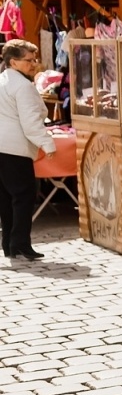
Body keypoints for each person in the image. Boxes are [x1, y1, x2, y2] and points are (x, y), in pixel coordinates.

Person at [0, 40, 56, 261]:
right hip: (14, 148)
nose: (34, 64)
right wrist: (47, 143)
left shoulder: (3, 81)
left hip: (3, 147)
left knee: (5, 198)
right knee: (23, 196)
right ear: (13, 62)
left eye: (34, 59)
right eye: (29, 60)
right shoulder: (22, 86)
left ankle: (9, 244)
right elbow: (31, 122)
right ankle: (20, 243)